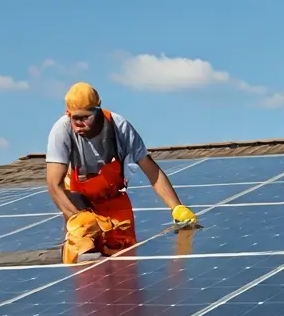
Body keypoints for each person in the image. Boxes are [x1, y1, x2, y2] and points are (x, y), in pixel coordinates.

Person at [46, 82, 198, 263]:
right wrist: (78, 217)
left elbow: (151, 170)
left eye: (85, 117)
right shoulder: (62, 130)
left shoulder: (118, 127)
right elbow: (54, 185)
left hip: (112, 198)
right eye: (74, 118)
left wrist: (177, 208)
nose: (79, 124)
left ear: (98, 110)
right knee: (83, 243)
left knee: (124, 256)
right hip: (79, 200)